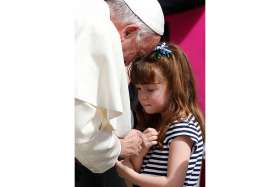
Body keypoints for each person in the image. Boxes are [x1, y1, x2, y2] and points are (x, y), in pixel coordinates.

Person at [75, 0, 165, 186]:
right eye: (139, 54)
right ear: (128, 31)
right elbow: (80, 131)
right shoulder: (98, 29)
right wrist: (118, 147)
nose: (130, 62)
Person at [116, 43, 205, 187]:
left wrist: (130, 174)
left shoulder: (182, 128)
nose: (142, 96)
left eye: (150, 90)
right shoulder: (157, 122)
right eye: (138, 88)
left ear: (174, 87)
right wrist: (141, 152)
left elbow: (173, 183)